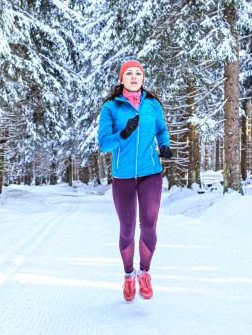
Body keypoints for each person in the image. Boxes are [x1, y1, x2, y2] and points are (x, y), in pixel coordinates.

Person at [97, 60, 172, 301]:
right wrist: (124, 133)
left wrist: (165, 145)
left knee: (149, 224)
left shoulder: (152, 105)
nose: (133, 77)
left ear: (143, 78)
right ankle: (129, 276)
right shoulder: (111, 107)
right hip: (123, 176)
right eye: (128, 73)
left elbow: (161, 130)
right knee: (127, 229)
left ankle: (145, 273)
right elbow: (104, 143)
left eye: (137, 73)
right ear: (121, 79)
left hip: (151, 172)